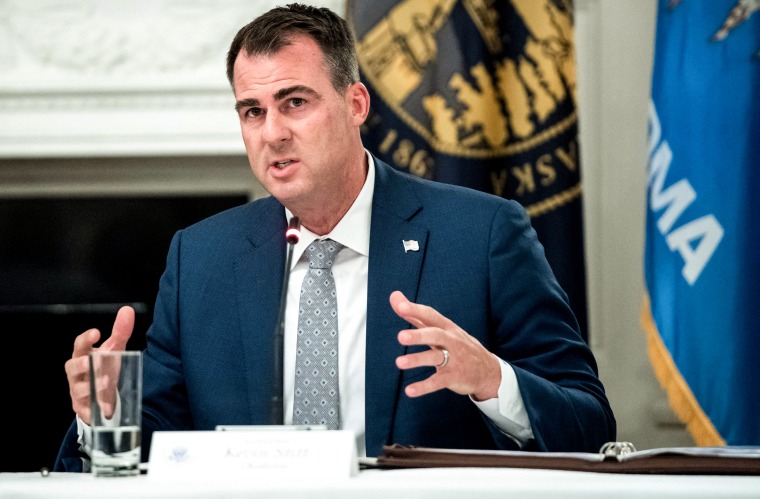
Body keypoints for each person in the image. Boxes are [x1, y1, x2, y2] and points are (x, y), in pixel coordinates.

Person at [54, 3, 615, 472]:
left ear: (355, 105)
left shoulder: (483, 233)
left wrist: (494, 381)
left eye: (295, 102)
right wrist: (101, 418)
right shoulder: (202, 256)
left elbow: (590, 425)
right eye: (253, 111)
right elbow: (158, 443)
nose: (273, 133)